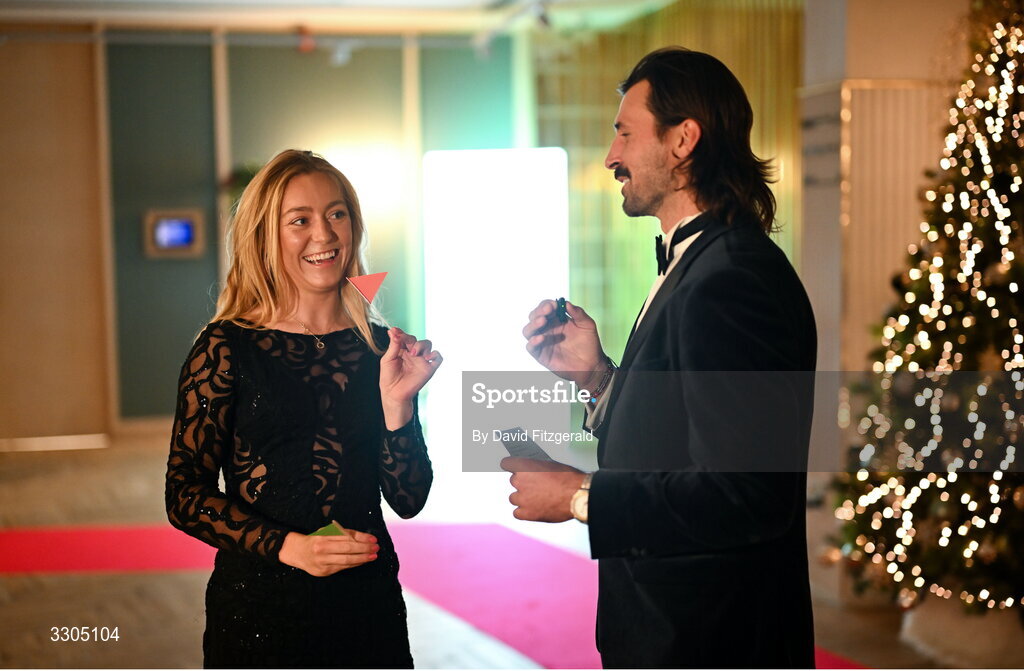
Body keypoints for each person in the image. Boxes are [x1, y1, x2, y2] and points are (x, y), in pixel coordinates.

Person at [503, 47, 817, 668]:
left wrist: (578, 497)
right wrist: (597, 379)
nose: (611, 156)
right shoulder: (702, 264)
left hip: (710, 641)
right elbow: (687, 435)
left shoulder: (732, 279)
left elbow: (749, 493)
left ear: (683, 140)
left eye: (624, 132)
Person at [165, 149, 441, 669]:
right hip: (259, 612)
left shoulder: (380, 349)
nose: (325, 234)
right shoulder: (226, 346)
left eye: (337, 214)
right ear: (267, 236)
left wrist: (398, 405)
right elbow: (184, 495)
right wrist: (290, 547)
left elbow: (408, 499)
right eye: (301, 220)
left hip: (367, 609)